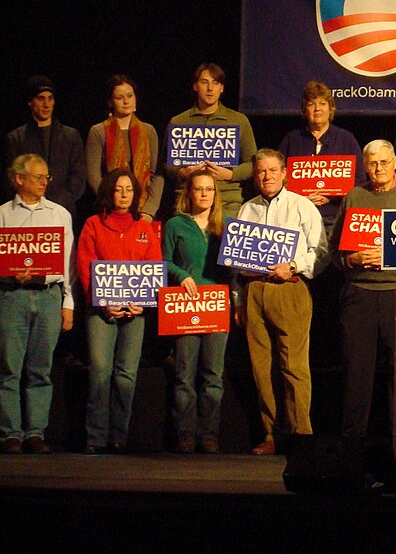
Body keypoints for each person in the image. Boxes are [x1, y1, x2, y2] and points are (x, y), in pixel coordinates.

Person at [232, 149, 327, 455]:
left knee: (294, 367)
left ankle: (301, 436)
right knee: (261, 368)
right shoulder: (247, 209)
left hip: (290, 287)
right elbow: (235, 262)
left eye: (273, 170)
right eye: (261, 172)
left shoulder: (301, 206)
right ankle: (272, 435)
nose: (267, 176)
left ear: (284, 173)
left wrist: (294, 265)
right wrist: (238, 300)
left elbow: (321, 251)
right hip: (254, 291)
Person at [330, 140, 396, 438]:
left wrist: (391, 257)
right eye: (372, 163)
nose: (378, 169)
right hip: (359, 294)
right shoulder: (355, 196)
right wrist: (353, 259)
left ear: (395, 162)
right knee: (356, 375)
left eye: (384, 162)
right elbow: (334, 252)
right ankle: (352, 446)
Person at [77, 168, 162, 454]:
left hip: (135, 312)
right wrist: (103, 303)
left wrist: (144, 301)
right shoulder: (93, 224)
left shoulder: (143, 228)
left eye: (129, 190)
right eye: (118, 189)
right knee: (101, 372)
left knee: (126, 374)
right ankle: (95, 437)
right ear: (108, 192)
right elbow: (85, 267)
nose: (124, 195)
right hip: (102, 311)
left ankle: (118, 436)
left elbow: (153, 266)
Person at [0, 154, 74, 454]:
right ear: (19, 179)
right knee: (8, 368)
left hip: (48, 296)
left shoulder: (59, 214)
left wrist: (68, 303)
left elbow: (69, 265)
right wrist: (8, 272)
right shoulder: (3, 215)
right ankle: (10, 434)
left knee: (41, 369)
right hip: (11, 296)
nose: (45, 182)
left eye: (47, 177)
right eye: (38, 177)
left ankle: (35, 433)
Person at [162, 170, 230, 454]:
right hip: (185, 305)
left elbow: (234, 268)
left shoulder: (225, 227)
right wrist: (180, 275)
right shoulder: (175, 224)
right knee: (184, 374)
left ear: (216, 194)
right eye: (199, 189)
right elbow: (162, 262)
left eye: (209, 189)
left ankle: (209, 434)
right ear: (189, 193)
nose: (204, 194)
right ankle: (185, 433)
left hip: (216, 304)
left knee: (213, 375)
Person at [164, 63, 257, 220]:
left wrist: (230, 174)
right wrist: (182, 172)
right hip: (188, 200)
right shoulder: (179, 122)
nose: (210, 88)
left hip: (227, 200)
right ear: (195, 86)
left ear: (222, 88)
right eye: (204, 82)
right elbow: (167, 164)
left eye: (216, 83)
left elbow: (252, 164)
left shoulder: (239, 120)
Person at [278, 81, 365, 232]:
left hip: (335, 217)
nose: (317, 109)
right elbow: (278, 177)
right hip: (297, 216)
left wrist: (331, 196)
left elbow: (359, 180)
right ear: (304, 110)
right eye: (311, 104)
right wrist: (303, 198)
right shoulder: (292, 140)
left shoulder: (346, 139)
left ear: (330, 108)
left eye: (322, 103)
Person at [4, 75, 86, 221]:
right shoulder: (16, 138)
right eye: (41, 98)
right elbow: (13, 178)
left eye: (50, 98)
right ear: (30, 102)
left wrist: (55, 204)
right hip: (26, 212)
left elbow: (78, 178)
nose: (46, 104)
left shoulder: (70, 136)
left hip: (62, 211)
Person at [86, 75, 164, 222]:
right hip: (110, 210)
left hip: (144, 212)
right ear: (110, 102)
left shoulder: (149, 131)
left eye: (130, 96)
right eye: (119, 97)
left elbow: (156, 175)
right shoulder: (98, 131)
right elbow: (93, 176)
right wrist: (114, 202)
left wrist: (149, 210)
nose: (126, 101)